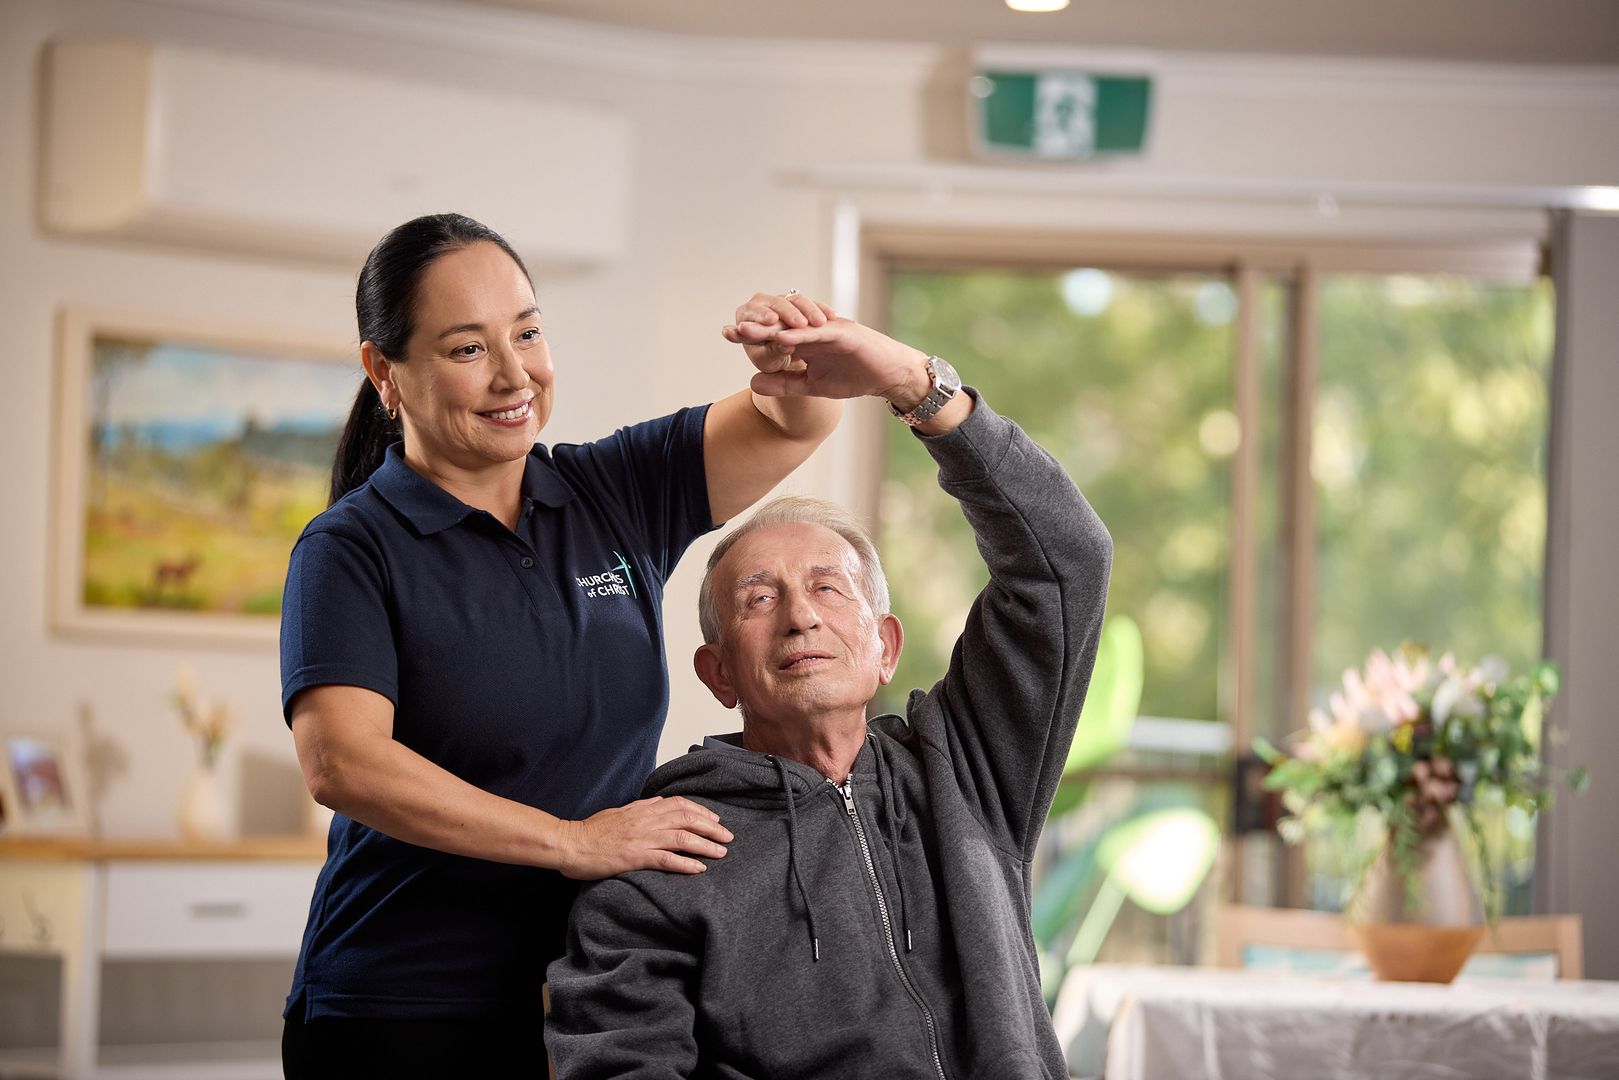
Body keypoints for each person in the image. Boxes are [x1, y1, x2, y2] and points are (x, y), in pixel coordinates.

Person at [278, 212, 917, 1077]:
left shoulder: (609, 490)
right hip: (405, 1003)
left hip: (584, 994)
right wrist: (572, 841)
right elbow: (343, 765)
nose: (514, 375)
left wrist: (790, 356)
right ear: (383, 371)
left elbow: (791, 423)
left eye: (528, 333)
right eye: (467, 349)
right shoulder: (351, 547)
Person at [544, 313, 1114, 1079]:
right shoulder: (660, 853)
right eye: (758, 599)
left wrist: (913, 384)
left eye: (826, 588)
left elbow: (1065, 563)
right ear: (718, 675)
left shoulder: (966, 770)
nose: (801, 615)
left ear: (885, 647)